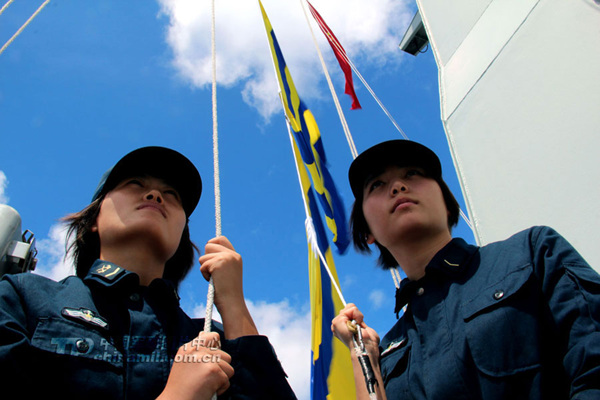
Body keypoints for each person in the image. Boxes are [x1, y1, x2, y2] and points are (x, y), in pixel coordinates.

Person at [0, 146, 297, 399]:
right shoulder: (21, 296)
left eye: (172, 194)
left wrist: (233, 303)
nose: (155, 195)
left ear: (181, 235)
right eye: (135, 184)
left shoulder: (213, 337)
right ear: (94, 219)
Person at [331, 139, 600, 399]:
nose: (398, 186)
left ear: (448, 204)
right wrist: (363, 353)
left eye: (413, 173)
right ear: (366, 232)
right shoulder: (388, 353)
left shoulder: (531, 252)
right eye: (377, 184)